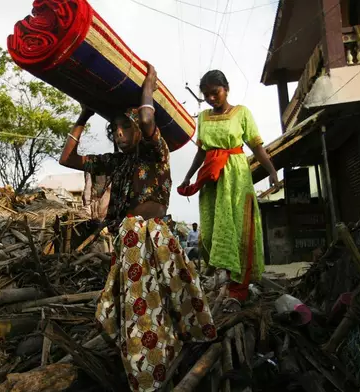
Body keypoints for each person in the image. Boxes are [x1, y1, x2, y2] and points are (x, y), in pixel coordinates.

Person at [59, 63, 216, 392]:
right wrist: (83, 116)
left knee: (171, 301)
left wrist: (148, 87)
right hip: (129, 241)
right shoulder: (115, 161)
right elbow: (67, 159)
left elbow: (147, 120)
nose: (118, 133)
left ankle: (180, 359)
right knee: (140, 311)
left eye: (123, 127)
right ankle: (148, 374)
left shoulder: (155, 153)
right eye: (114, 128)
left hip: (157, 236)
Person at [178, 70, 279, 308]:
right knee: (213, 230)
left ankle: (238, 290)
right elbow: (201, 151)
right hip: (212, 179)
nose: (211, 98)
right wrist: (187, 177)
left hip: (236, 177)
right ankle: (221, 277)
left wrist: (272, 171)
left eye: (215, 93)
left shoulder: (242, 113)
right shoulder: (203, 118)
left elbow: (256, 146)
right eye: (207, 95)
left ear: (226, 88)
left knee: (239, 229)